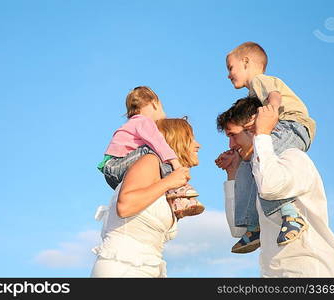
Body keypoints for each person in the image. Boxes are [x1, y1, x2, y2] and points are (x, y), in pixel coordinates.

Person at [216, 96, 334, 277]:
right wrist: (232, 175)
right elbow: (238, 230)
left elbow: (270, 187)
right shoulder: (258, 173)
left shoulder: (293, 158)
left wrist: (262, 134)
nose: (230, 145)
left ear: (252, 128)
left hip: (312, 271)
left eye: (233, 135)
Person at [223, 41, 316, 253]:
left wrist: (271, 113)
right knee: (248, 165)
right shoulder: (251, 96)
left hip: (292, 125)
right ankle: (253, 225)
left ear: (246, 62)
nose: (228, 74)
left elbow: (274, 96)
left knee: (261, 162)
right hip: (283, 127)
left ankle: (290, 213)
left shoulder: (260, 81)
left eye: (231, 68)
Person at [91, 118, 201, 277]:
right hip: (123, 266)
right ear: (176, 140)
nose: (198, 145)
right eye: (191, 139)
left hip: (148, 268)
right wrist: (169, 182)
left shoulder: (164, 184)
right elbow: (125, 206)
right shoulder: (149, 161)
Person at [97, 86, 204, 219]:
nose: (199, 145)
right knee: (153, 150)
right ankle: (179, 190)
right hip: (114, 165)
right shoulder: (143, 121)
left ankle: (177, 199)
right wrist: (175, 165)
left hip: (113, 171)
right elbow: (158, 142)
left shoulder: (134, 124)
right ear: (155, 103)